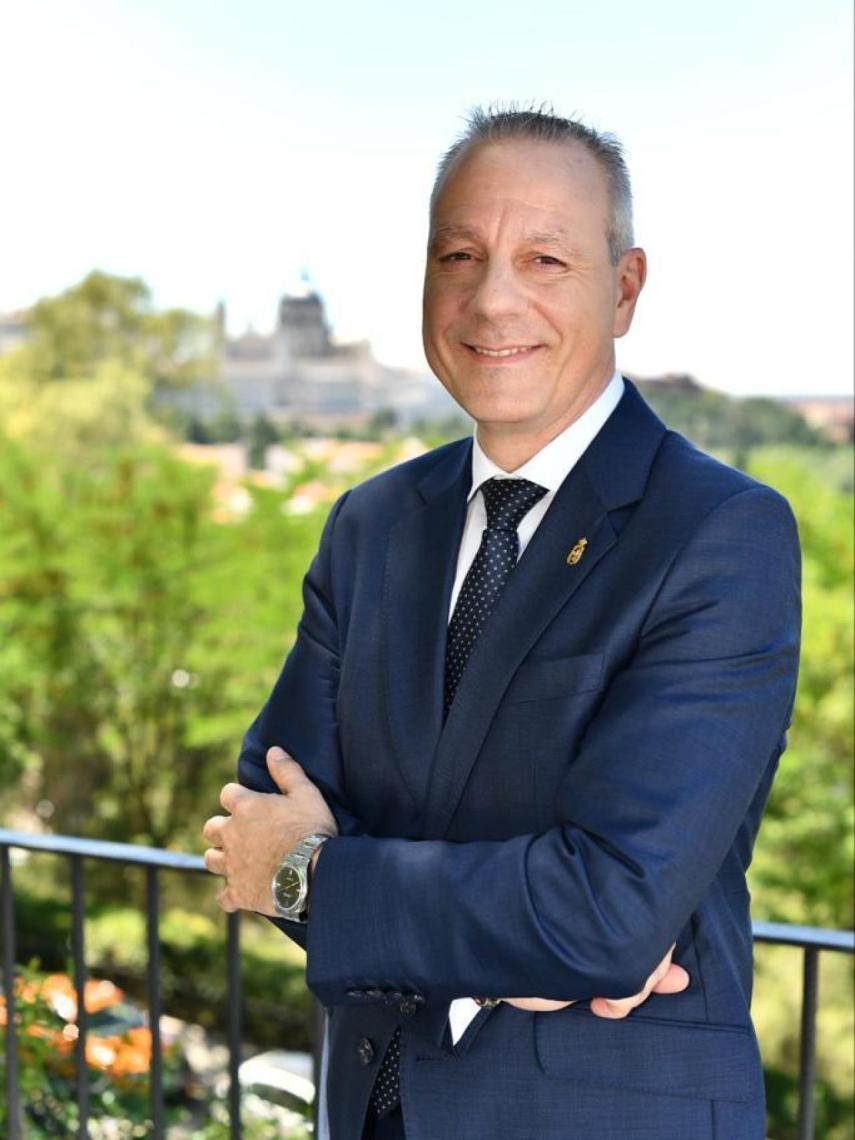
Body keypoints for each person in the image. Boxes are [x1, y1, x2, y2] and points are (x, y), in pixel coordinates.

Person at [202, 107, 801, 1140]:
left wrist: (328, 874)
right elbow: (262, 821)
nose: (492, 298)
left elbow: (606, 915)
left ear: (624, 287)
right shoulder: (372, 523)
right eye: (461, 256)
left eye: (543, 258)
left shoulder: (719, 533)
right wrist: (529, 931)